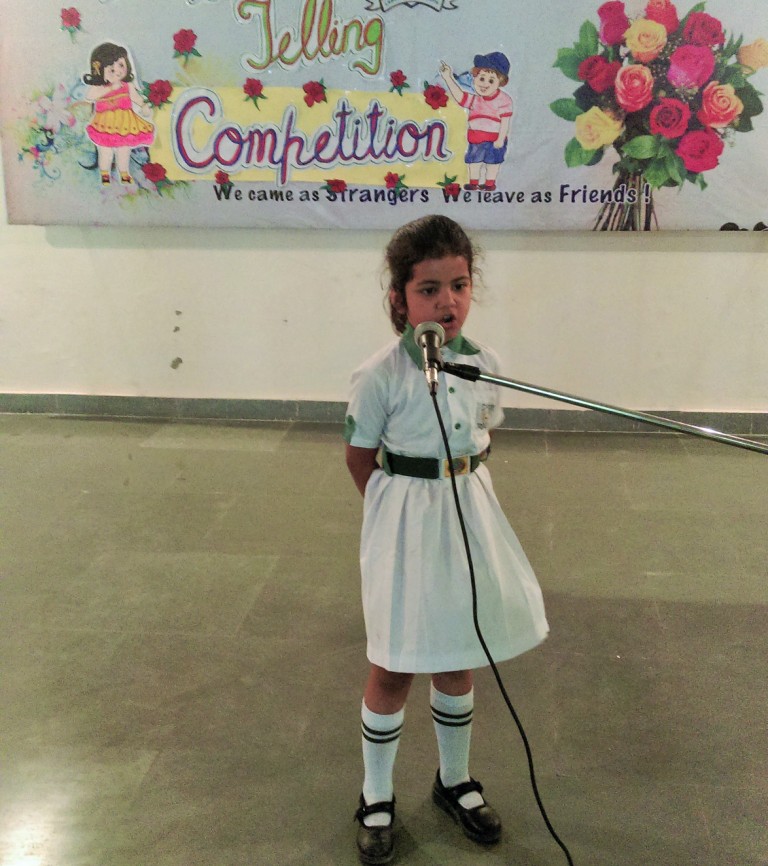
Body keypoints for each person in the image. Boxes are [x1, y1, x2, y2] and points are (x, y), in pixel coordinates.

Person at [344, 214, 548, 865]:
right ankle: (376, 793)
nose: (447, 302)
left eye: (458, 286)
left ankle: (453, 779)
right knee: (395, 660)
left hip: (469, 514)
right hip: (405, 521)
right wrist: (397, 515)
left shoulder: (484, 365)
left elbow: (483, 434)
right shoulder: (379, 375)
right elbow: (359, 458)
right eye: (428, 289)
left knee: (458, 651)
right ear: (399, 298)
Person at [83, 42, 155, 185]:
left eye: (121, 65)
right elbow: (90, 96)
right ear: (99, 70)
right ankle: (105, 174)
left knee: (124, 150)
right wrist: (110, 88)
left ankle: (124, 173)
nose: (118, 71)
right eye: (111, 69)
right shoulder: (99, 87)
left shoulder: (127, 86)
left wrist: (143, 105)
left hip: (125, 123)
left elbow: (136, 98)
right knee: (106, 151)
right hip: (105, 124)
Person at [439, 52, 512, 191]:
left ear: (500, 81)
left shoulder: (504, 100)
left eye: (491, 81)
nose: (484, 84)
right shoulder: (475, 100)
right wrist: (448, 77)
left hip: (494, 140)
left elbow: (505, 121)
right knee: (474, 161)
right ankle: (473, 183)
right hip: (476, 138)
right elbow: (459, 96)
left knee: (493, 163)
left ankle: (489, 183)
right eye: (481, 78)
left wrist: (501, 139)